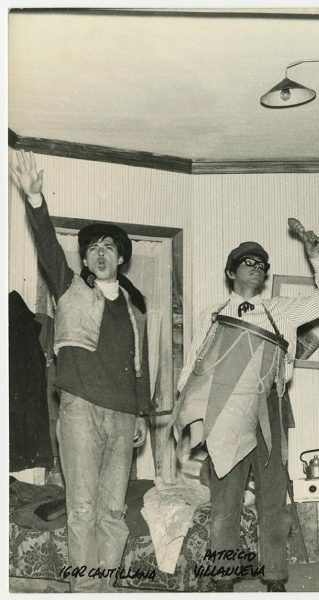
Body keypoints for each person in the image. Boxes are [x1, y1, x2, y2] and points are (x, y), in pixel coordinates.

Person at [171, 225, 319, 592]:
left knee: (273, 498)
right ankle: (223, 576)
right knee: (225, 499)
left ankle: (275, 576)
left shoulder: (281, 311)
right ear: (231, 272)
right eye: (248, 262)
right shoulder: (212, 314)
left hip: (271, 406)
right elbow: (192, 368)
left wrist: (317, 256)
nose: (257, 267)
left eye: (262, 264)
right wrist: (187, 412)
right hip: (225, 411)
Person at [9, 150, 152, 592]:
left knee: (113, 512)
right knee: (83, 508)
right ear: (86, 262)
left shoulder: (136, 309)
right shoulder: (69, 289)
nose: (101, 252)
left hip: (122, 415)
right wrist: (35, 200)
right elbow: (48, 247)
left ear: (121, 258)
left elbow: (140, 368)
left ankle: (104, 589)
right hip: (80, 411)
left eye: (109, 247)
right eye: (93, 248)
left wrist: (141, 415)